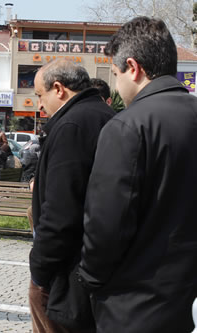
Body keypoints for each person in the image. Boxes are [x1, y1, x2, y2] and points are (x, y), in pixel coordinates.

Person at [77, 17, 197, 333]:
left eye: (115, 76)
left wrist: (90, 278)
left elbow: (105, 224)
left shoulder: (127, 127)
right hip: (186, 298)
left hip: (134, 304)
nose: (116, 87)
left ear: (133, 68)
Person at [29, 59, 114, 333]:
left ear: (59, 89)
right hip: (97, 262)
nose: (39, 105)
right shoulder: (106, 115)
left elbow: (62, 211)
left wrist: (40, 270)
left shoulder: (71, 126)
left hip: (67, 270)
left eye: (40, 96)